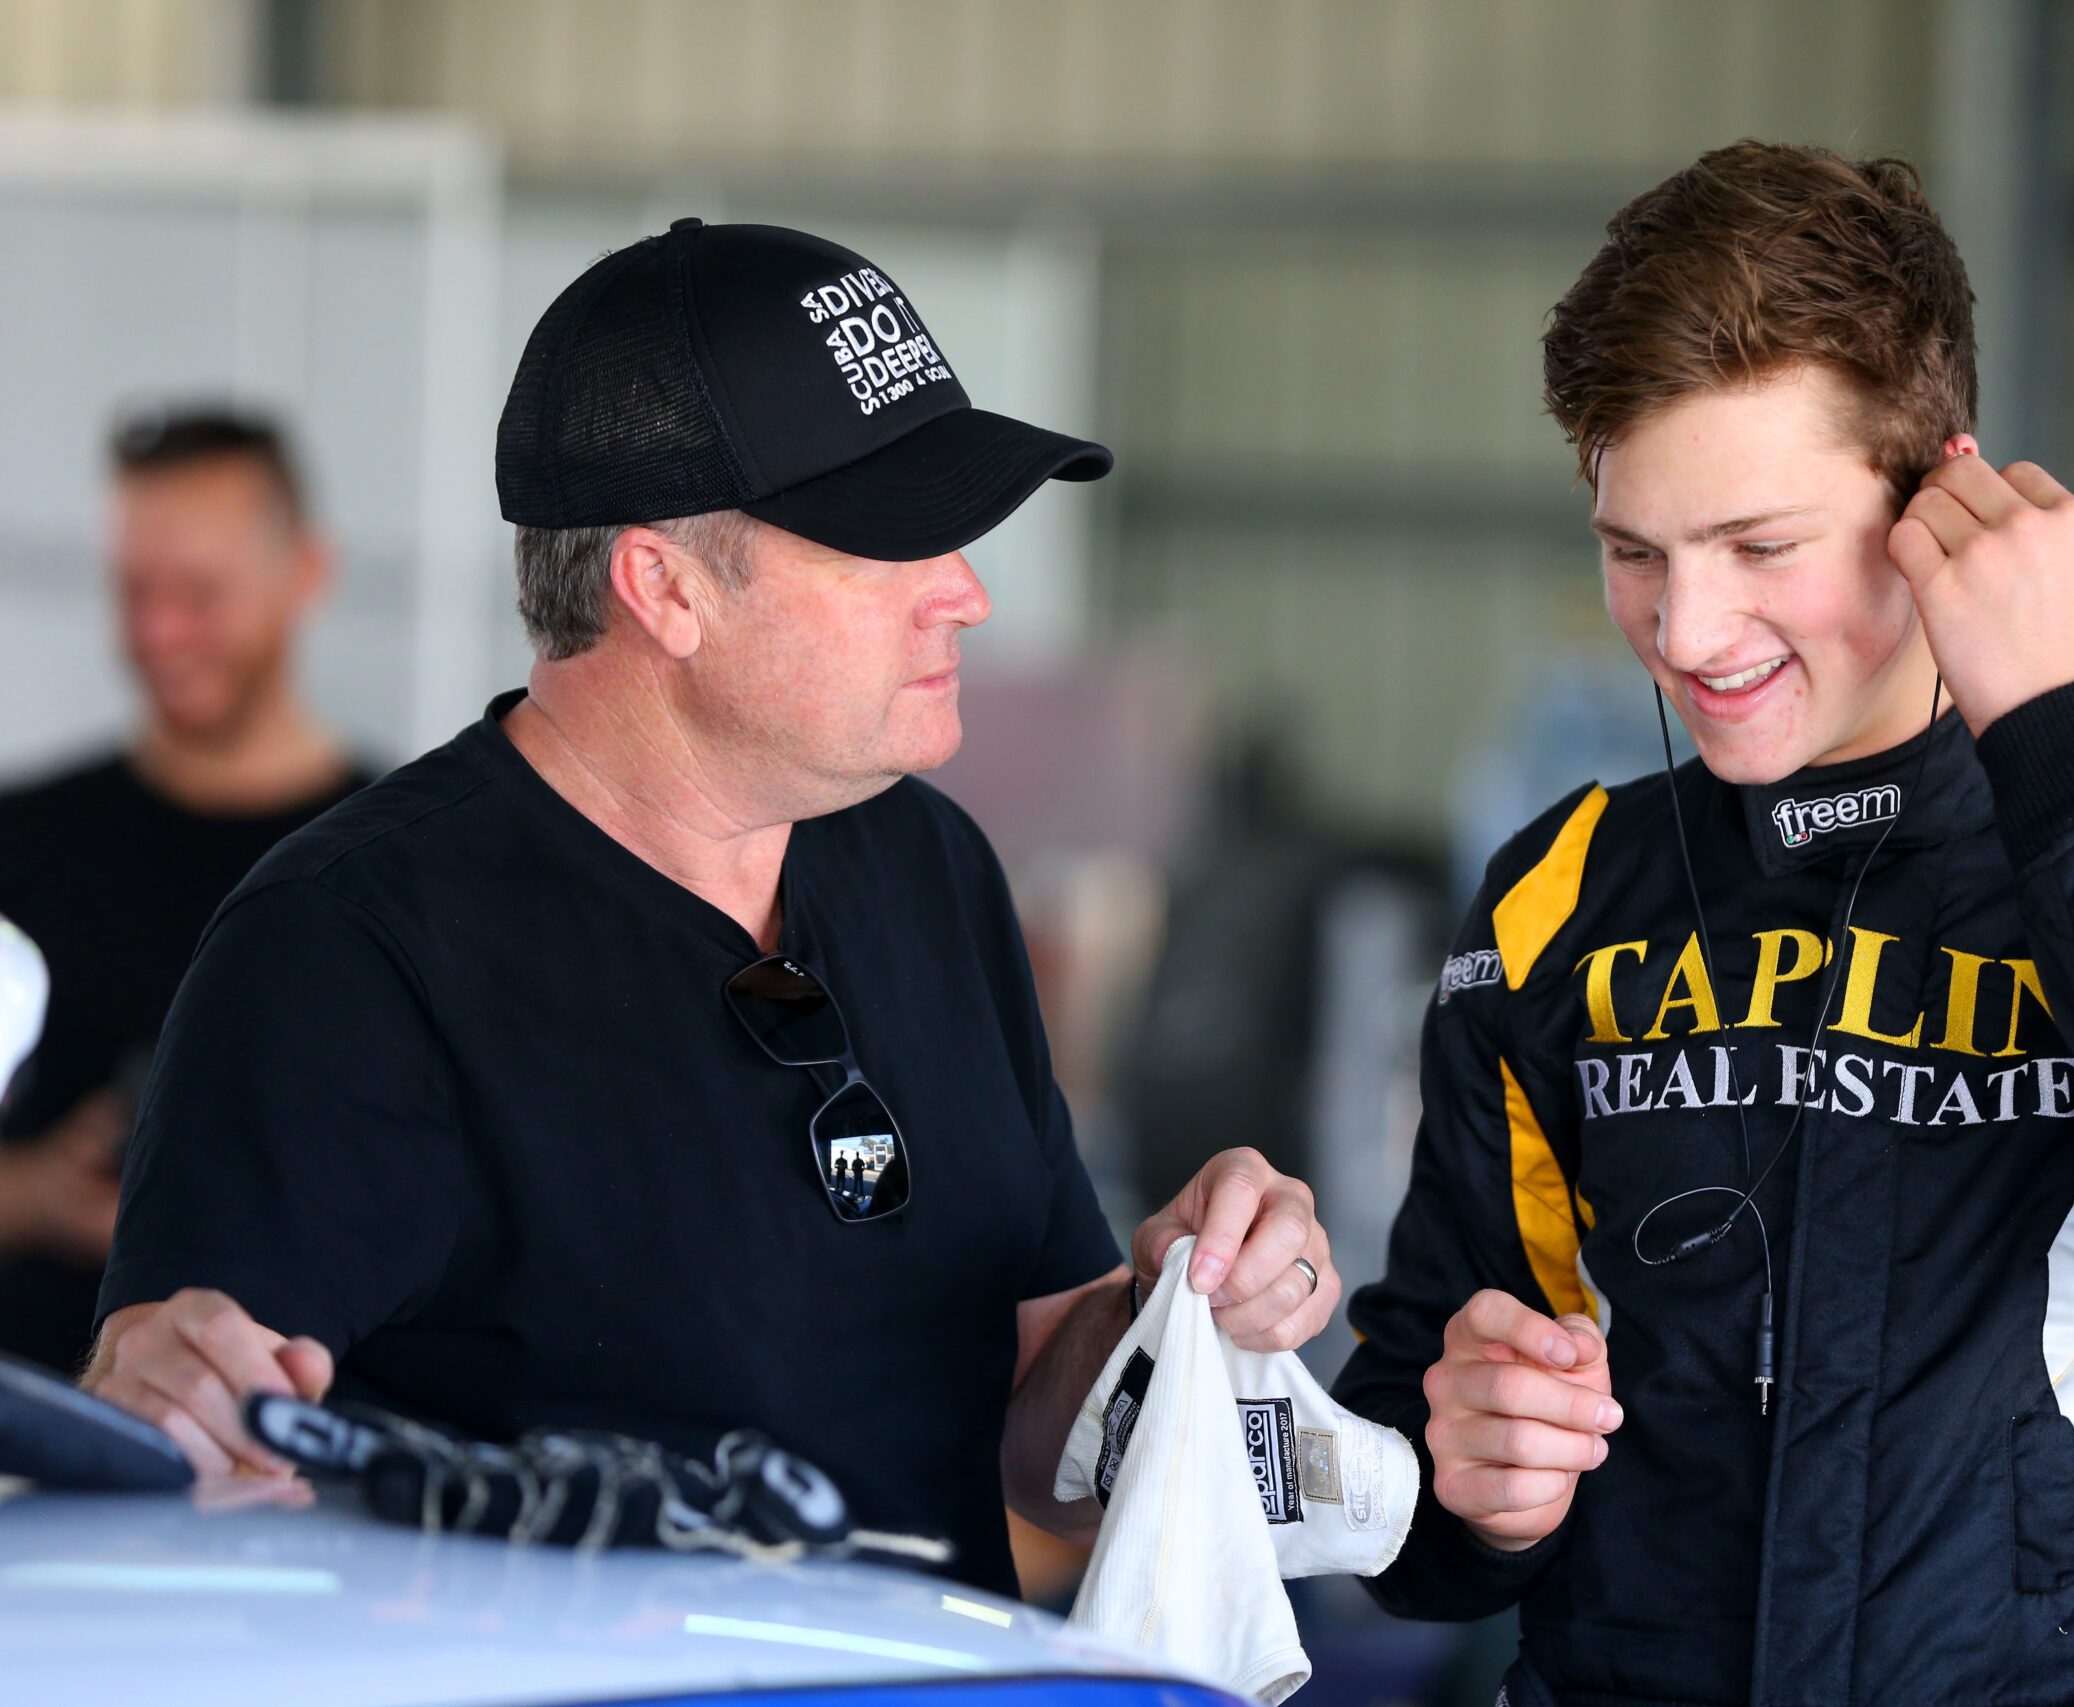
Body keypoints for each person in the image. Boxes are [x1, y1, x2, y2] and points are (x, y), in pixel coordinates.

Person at [81, 219, 1341, 1599]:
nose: (968, 595)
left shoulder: (930, 867)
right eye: (892, 542)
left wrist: (1178, 1302)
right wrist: (165, 1401)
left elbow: (1041, 1440)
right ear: (663, 585)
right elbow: (191, 1465)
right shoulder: (350, 949)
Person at [1332, 143, 2074, 1707]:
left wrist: (2061, 733)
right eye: (1634, 551)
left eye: (1760, 547)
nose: (1686, 634)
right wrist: (1468, 1480)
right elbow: (1416, 1490)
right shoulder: (1557, 896)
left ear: (1944, 499)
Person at [0, 408, 365, 1374]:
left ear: (306, 575)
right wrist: (35, 1191)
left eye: (200, 593)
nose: (159, 631)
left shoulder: (405, 864)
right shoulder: (20, 841)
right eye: (134, 590)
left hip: (304, 1438)